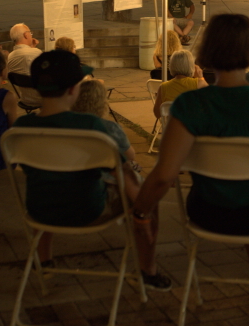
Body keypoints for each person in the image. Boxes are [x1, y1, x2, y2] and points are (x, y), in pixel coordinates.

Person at [133, 14, 249, 295]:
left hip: (209, 211)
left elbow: (164, 176)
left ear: (206, 52)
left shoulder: (190, 106)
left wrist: (140, 212)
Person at [13, 50, 171, 291]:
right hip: (88, 209)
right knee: (147, 196)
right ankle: (148, 270)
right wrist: (144, 207)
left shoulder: (22, 127)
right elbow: (129, 182)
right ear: (73, 89)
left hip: (38, 209)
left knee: (46, 180)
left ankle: (44, 260)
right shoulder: (92, 126)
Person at [73, 79, 140, 173]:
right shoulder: (110, 128)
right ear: (103, 103)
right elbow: (130, 155)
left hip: (71, 173)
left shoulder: (67, 125)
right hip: (103, 176)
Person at [153, 50, 207, 119]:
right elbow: (210, 104)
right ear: (191, 66)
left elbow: (157, 114)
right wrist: (201, 77)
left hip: (172, 128)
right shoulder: (198, 83)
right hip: (193, 128)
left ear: (171, 66)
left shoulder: (163, 87)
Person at [7, 23, 42, 108]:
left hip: (26, 99)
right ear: (26, 35)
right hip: (43, 98)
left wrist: (32, 47)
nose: (31, 35)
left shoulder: (10, 56)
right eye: (30, 33)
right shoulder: (35, 53)